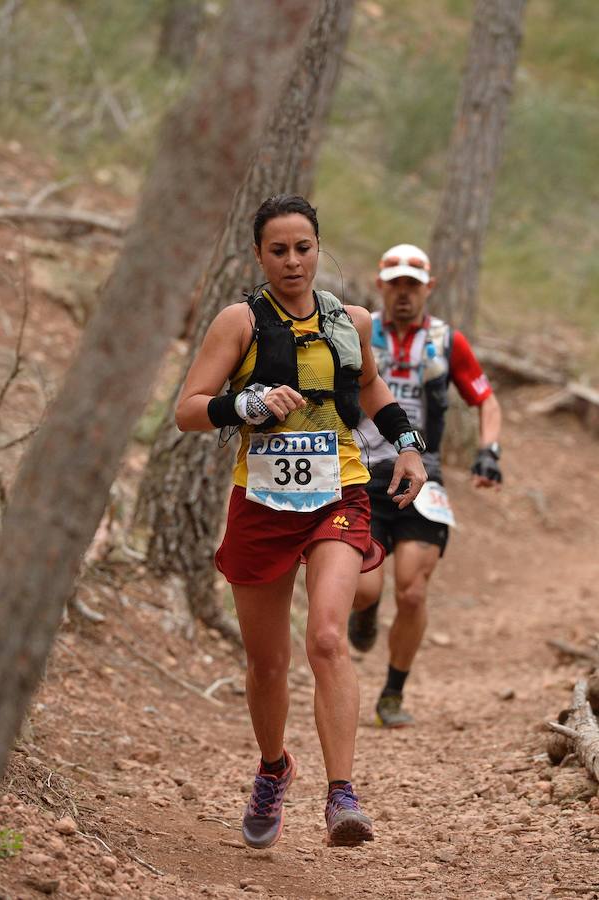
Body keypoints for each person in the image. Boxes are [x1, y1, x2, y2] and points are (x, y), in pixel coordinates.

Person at [175, 197, 427, 849]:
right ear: (259, 255)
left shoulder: (352, 319)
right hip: (260, 502)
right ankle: (273, 768)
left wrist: (408, 446)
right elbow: (188, 410)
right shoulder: (241, 323)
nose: (293, 260)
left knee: (326, 638)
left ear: (320, 248)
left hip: (339, 492)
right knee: (267, 663)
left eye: (304, 247)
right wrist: (247, 401)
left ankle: (342, 793)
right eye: (279, 250)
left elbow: (370, 389)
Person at [349, 243, 502, 728]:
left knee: (413, 592)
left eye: (412, 285)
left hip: (423, 478)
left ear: (428, 289)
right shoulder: (356, 333)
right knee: (363, 589)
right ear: (381, 285)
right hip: (364, 473)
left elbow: (487, 400)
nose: (402, 294)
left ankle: (392, 693)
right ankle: (366, 615)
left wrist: (488, 451)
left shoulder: (445, 341)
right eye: (394, 283)